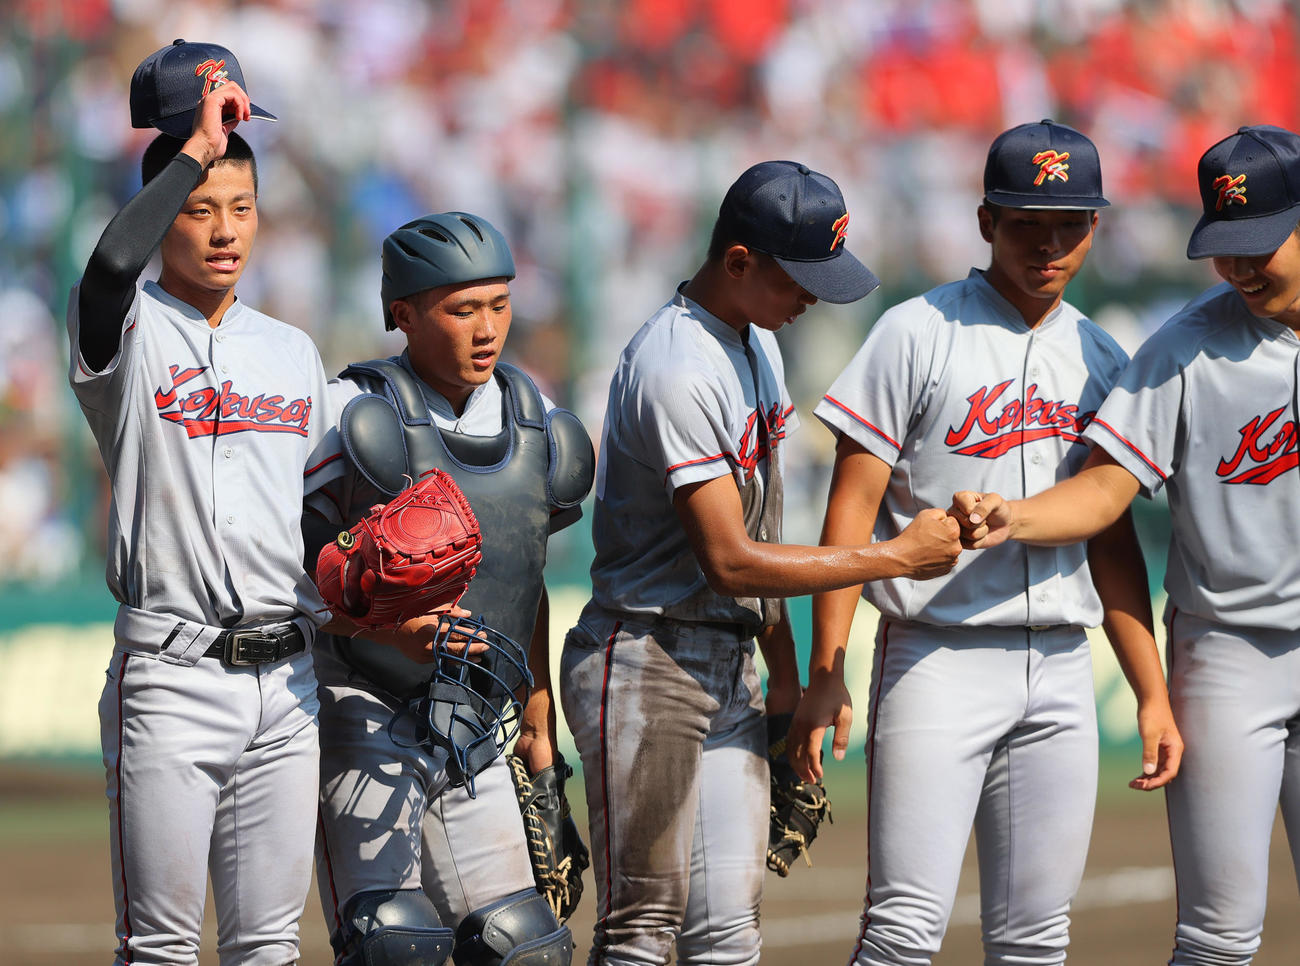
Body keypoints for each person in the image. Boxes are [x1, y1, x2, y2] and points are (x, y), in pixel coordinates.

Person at [788, 120, 1183, 966]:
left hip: (1065, 671)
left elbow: (1111, 536)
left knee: (1037, 939)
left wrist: (1149, 688)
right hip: (938, 656)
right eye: (1024, 223)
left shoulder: (1103, 355)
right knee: (901, 934)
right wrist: (828, 673)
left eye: (1068, 223)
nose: (1047, 243)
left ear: (1095, 227)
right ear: (984, 222)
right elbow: (849, 513)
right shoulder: (915, 331)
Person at [559, 159, 965, 966]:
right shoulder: (675, 365)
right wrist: (890, 556)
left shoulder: (758, 346)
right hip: (646, 659)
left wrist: (786, 673)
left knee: (729, 934)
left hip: (728, 656)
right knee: (641, 932)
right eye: (800, 276)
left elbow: (764, 517)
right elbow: (731, 560)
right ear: (740, 261)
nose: (814, 295)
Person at [951, 123, 1300, 966]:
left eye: (1261, 243)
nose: (1241, 266)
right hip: (1230, 654)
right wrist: (1017, 515)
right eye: (1225, 248)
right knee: (1219, 935)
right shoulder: (1184, 349)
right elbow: (1106, 490)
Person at [68, 41, 336, 966]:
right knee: (161, 951)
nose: (225, 230)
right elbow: (106, 272)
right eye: (198, 210)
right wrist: (191, 149)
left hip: (288, 682)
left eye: (242, 209)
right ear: (162, 212)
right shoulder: (129, 333)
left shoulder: (292, 352)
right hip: (172, 678)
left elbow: (326, 513)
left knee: (268, 948)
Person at [302, 211, 592, 966]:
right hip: (363, 703)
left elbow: (521, 585)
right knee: (393, 945)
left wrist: (538, 726)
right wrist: (384, 627)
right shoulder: (352, 414)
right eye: (462, 309)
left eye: (499, 304)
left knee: (524, 950)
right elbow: (302, 576)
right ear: (402, 314)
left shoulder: (535, 421)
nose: (487, 327)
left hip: (472, 718)